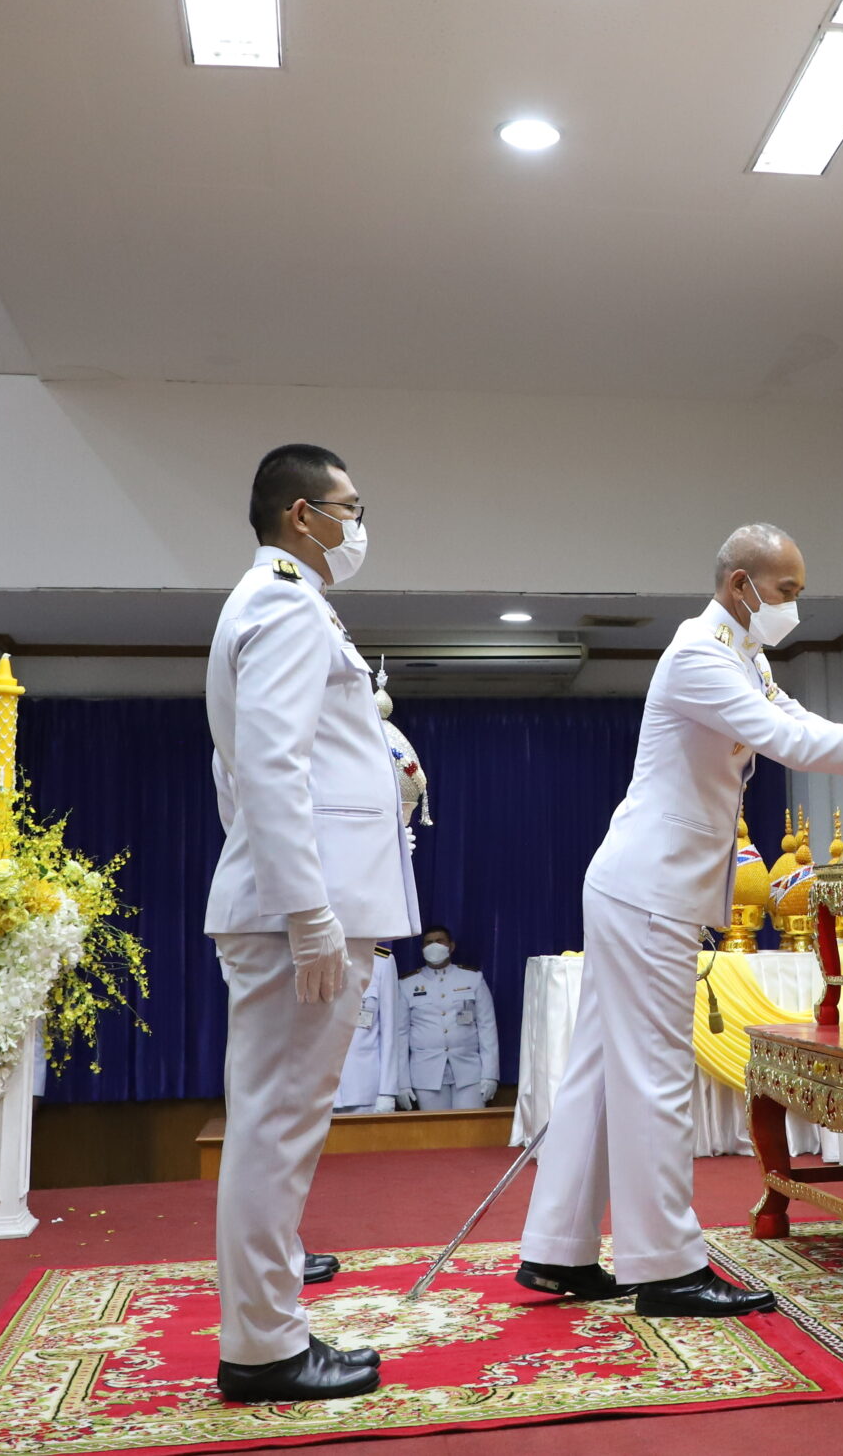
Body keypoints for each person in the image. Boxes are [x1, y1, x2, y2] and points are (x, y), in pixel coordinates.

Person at [515, 524, 843, 1316]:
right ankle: (667, 1268)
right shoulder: (699, 655)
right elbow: (787, 739)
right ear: (741, 585)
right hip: (648, 887)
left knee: (600, 1072)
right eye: (786, 591)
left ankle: (556, 1250)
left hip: (644, 883)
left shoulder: (747, 657)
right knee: (654, 1074)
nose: (793, 606)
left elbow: (797, 716)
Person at [204, 443, 420, 1404]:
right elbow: (269, 769)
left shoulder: (282, 603)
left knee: (276, 1122)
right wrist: (307, 914)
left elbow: (243, 773)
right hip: (303, 911)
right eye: (350, 507)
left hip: (296, 902)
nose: (358, 524)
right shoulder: (286, 606)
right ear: (303, 514)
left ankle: (266, 1325)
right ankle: (263, 1348)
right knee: (277, 1127)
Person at [399, 925, 498, 1110]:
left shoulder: (472, 978)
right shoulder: (407, 984)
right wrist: (402, 1083)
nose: (434, 946)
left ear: (451, 946)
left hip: (469, 1071)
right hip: (426, 1073)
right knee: (435, 1127)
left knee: (470, 1126)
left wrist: (490, 1074)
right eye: (428, 942)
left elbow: (488, 1028)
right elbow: (400, 1036)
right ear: (422, 949)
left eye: (439, 941)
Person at [332, 945, 403, 1114]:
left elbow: (389, 1033)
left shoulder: (381, 962)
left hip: (363, 1087)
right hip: (318, 1089)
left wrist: (387, 1091)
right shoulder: (312, 956)